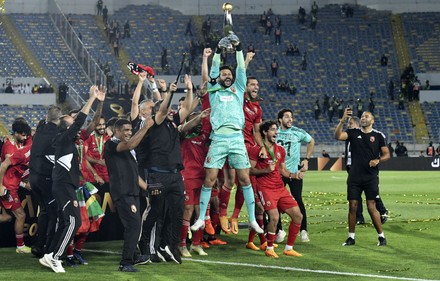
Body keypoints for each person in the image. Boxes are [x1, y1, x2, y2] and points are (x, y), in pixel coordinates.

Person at [191, 35, 264, 235]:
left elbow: (241, 68)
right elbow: (212, 72)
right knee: (210, 179)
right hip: (219, 139)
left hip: (236, 138)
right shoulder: (213, 91)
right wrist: (217, 51)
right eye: (223, 74)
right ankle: (200, 218)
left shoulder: (239, 88)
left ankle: (251, 221)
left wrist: (239, 48)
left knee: (245, 179)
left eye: (228, 73)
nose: (226, 75)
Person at [39, 85, 105, 273]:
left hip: (67, 186)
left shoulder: (66, 140)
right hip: (63, 186)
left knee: (67, 222)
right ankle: (55, 257)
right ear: (67, 127)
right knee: (73, 222)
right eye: (72, 121)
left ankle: (50, 254)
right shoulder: (63, 138)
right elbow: (81, 120)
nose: (76, 122)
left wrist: (97, 101)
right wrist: (91, 98)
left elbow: (85, 123)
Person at [140, 76, 194, 265]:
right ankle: (145, 246)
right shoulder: (156, 122)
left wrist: (189, 89)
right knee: (156, 212)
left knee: (176, 213)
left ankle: (169, 246)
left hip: (175, 175)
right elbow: (163, 109)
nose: (171, 111)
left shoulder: (172, 123)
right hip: (157, 174)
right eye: (167, 109)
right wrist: (169, 92)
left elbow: (187, 108)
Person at [335, 108, 390, 247]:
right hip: (354, 177)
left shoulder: (378, 136)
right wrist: (342, 120)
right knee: (353, 206)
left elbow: (386, 154)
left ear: (372, 120)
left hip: (370, 177)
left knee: (371, 207)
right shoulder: (353, 133)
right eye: (362, 116)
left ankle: (381, 237)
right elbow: (337, 136)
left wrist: (378, 160)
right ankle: (351, 237)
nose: (363, 118)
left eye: (366, 116)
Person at [249, 120, 304, 258]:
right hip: (265, 188)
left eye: (276, 130)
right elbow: (249, 170)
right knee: (274, 217)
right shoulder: (256, 150)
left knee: (298, 215)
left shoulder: (280, 150)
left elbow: (283, 170)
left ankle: (289, 248)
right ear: (264, 132)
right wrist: (266, 170)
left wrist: (294, 175)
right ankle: (269, 248)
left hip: (280, 188)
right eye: (273, 129)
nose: (276, 132)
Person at [104, 117, 153, 272]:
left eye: (130, 130)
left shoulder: (129, 151)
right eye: (126, 130)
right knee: (133, 226)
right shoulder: (111, 144)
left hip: (132, 192)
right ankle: (126, 262)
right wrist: (145, 128)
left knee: (134, 226)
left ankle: (130, 258)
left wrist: (147, 188)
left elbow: (133, 174)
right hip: (123, 192)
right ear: (116, 130)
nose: (129, 133)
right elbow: (131, 143)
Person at [276, 109, 315, 243]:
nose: (290, 119)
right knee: (275, 201)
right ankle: (279, 230)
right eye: (287, 117)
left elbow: (311, 141)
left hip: (294, 172)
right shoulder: (275, 132)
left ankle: (303, 230)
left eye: (291, 117)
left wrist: (307, 159)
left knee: (298, 199)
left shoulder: (298, 132)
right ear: (280, 119)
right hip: (278, 172)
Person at [29, 106, 62, 258]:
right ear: (59, 120)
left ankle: (38, 245)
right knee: (54, 214)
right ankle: (48, 248)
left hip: (33, 178)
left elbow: (45, 121)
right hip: (46, 179)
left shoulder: (40, 129)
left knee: (44, 211)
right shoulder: (56, 134)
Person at [344, 117, 388, 225]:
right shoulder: (350, 136)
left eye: (350, 123)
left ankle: (382, 210)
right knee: (356, 195)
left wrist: (376, 161)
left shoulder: (367, 135)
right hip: (354, 168)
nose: (348, 125)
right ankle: (359, 217)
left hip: (368, 170)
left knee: (372, 193)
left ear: (357, 124)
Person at [0, 120, 32, 254]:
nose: (25, 138)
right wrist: (0, 186)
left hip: (13, 185)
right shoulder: (9, 147)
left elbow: (33, 136)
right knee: (21, 215)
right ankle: (20, 247)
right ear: (16, 134)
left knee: (7, 217)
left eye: (26, 135)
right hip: (7, 187)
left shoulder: (24, 142)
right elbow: (4, 166)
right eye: (23, 135)